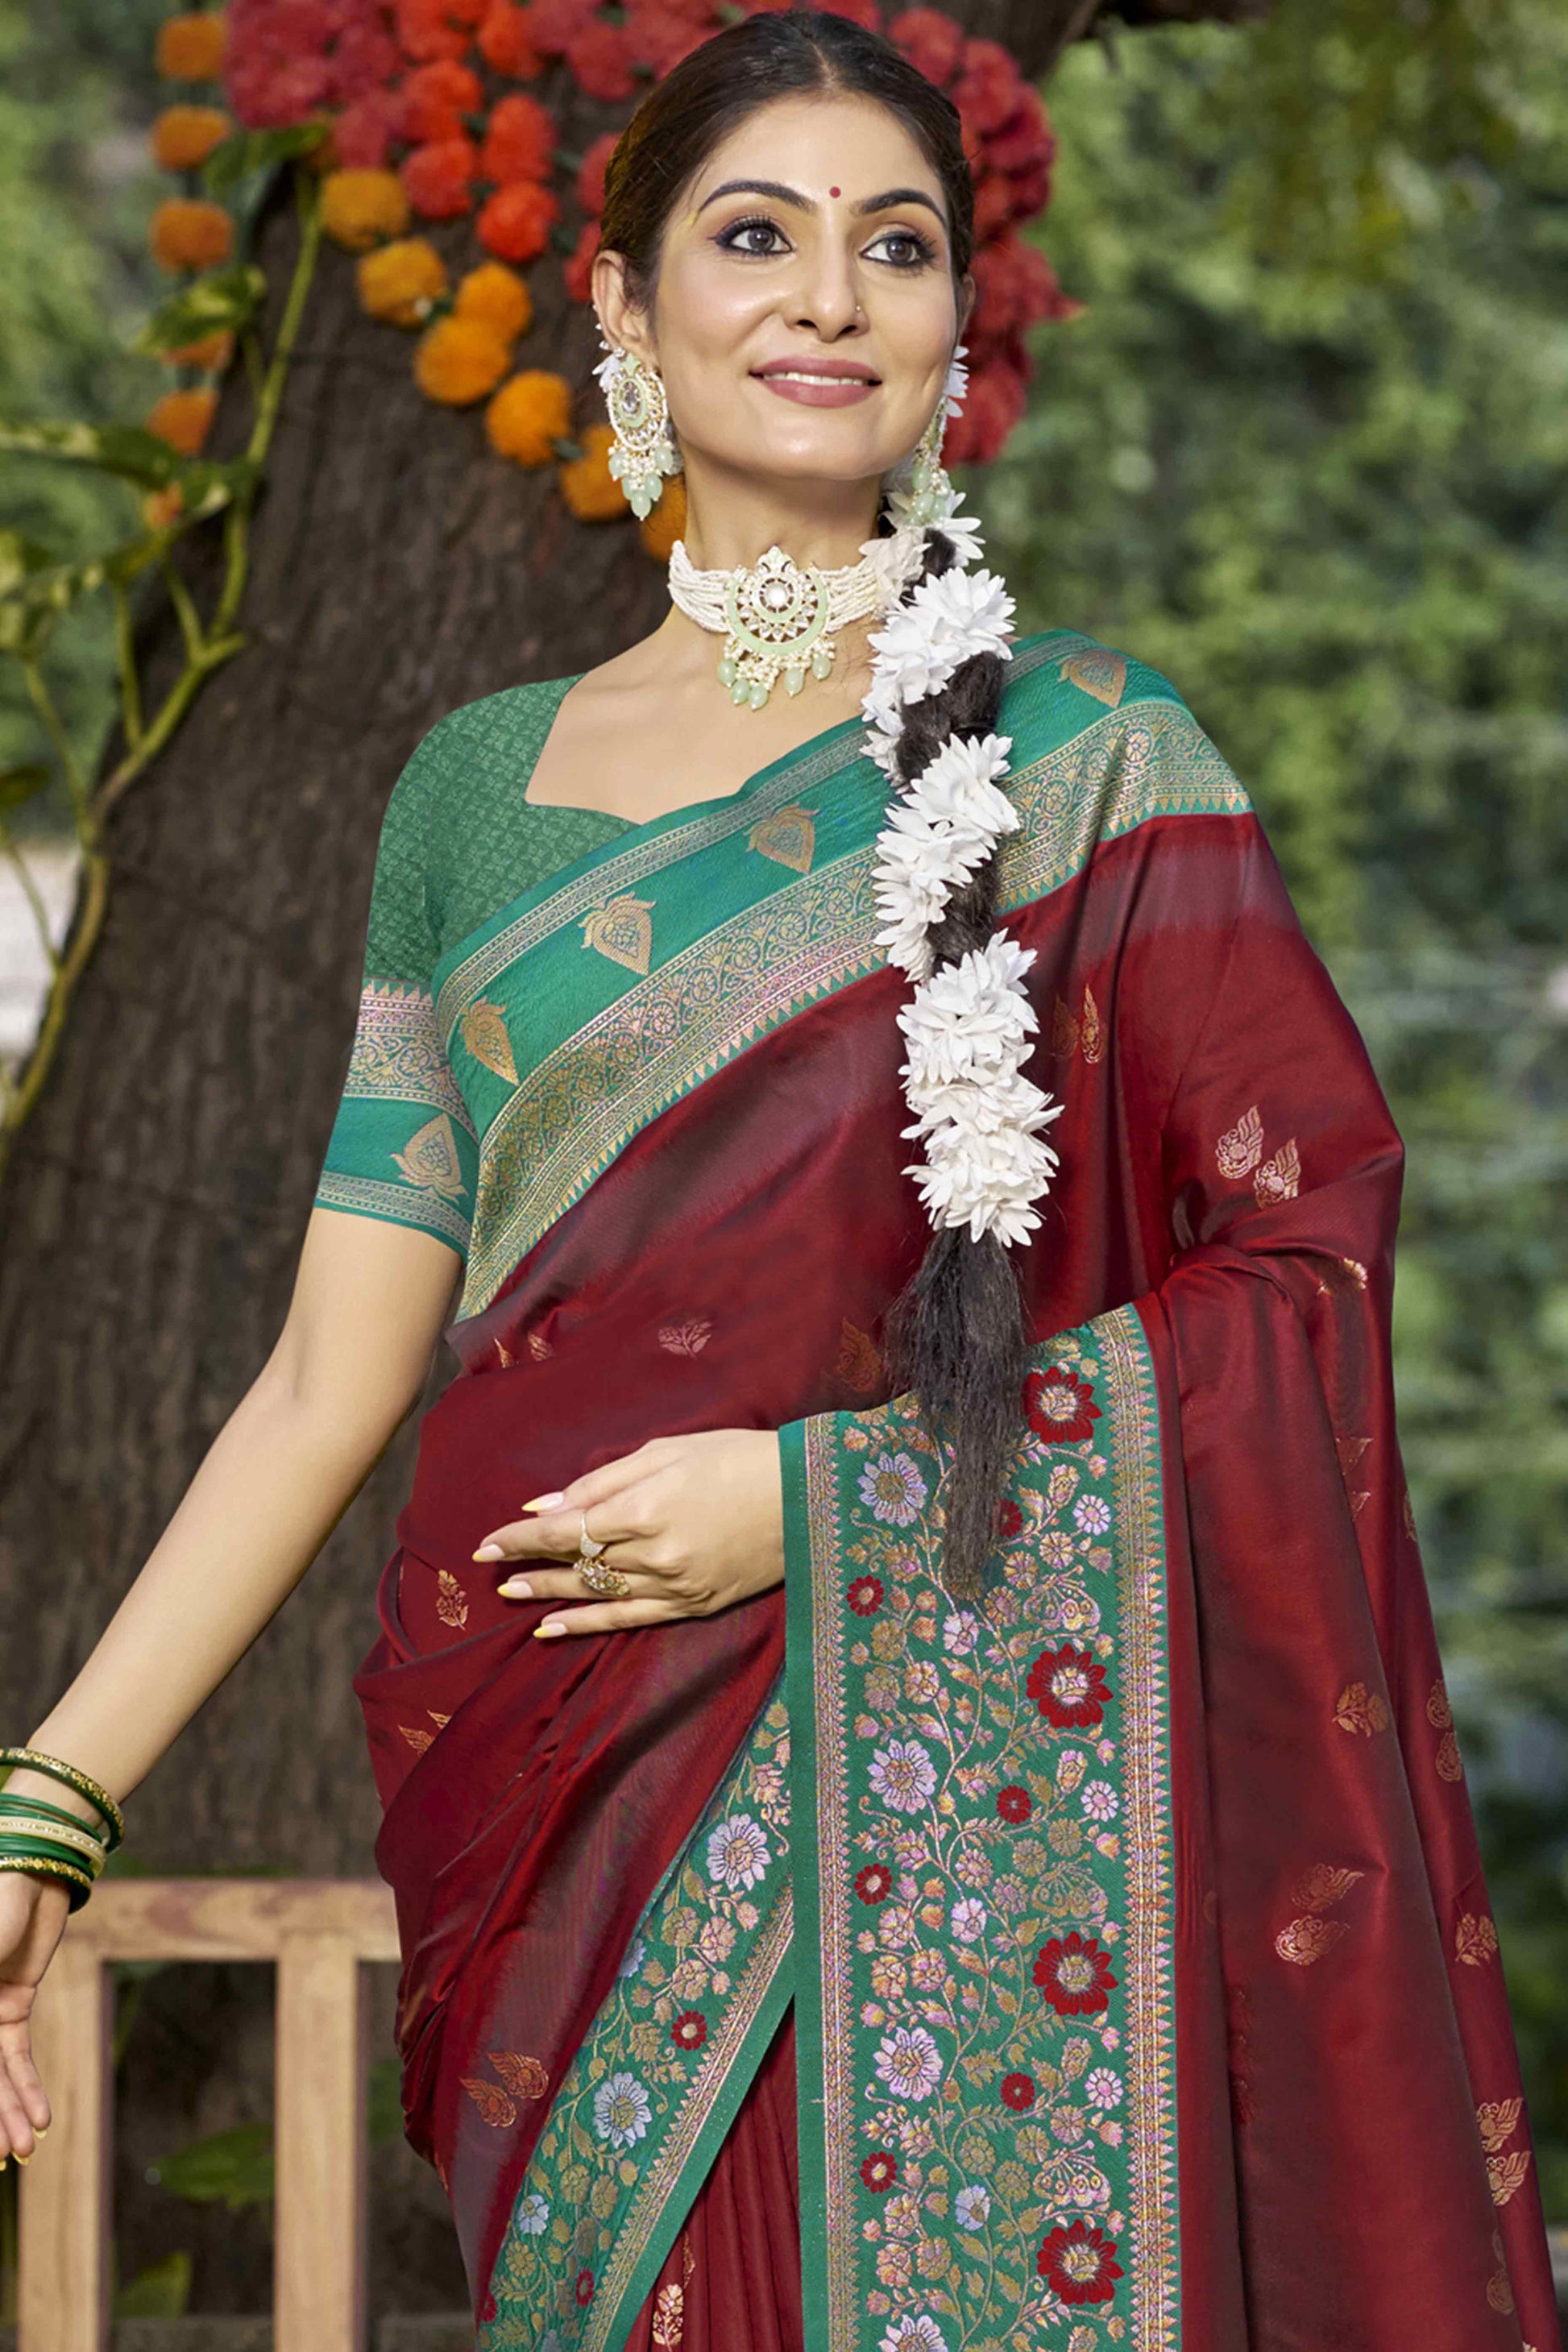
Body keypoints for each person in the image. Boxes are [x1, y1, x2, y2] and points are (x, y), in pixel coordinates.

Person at [0, 15, 1558, 2350]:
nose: (828, 296)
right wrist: (48, 1803)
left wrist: (820, 1510)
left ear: (952, 331)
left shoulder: (1090, 758)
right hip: (561, 1807)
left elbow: (1305, 1268)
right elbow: (332, 1372)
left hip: (949, 1788)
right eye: (756, 234)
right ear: (621, 307)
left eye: (893, 244)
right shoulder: (473, 794)